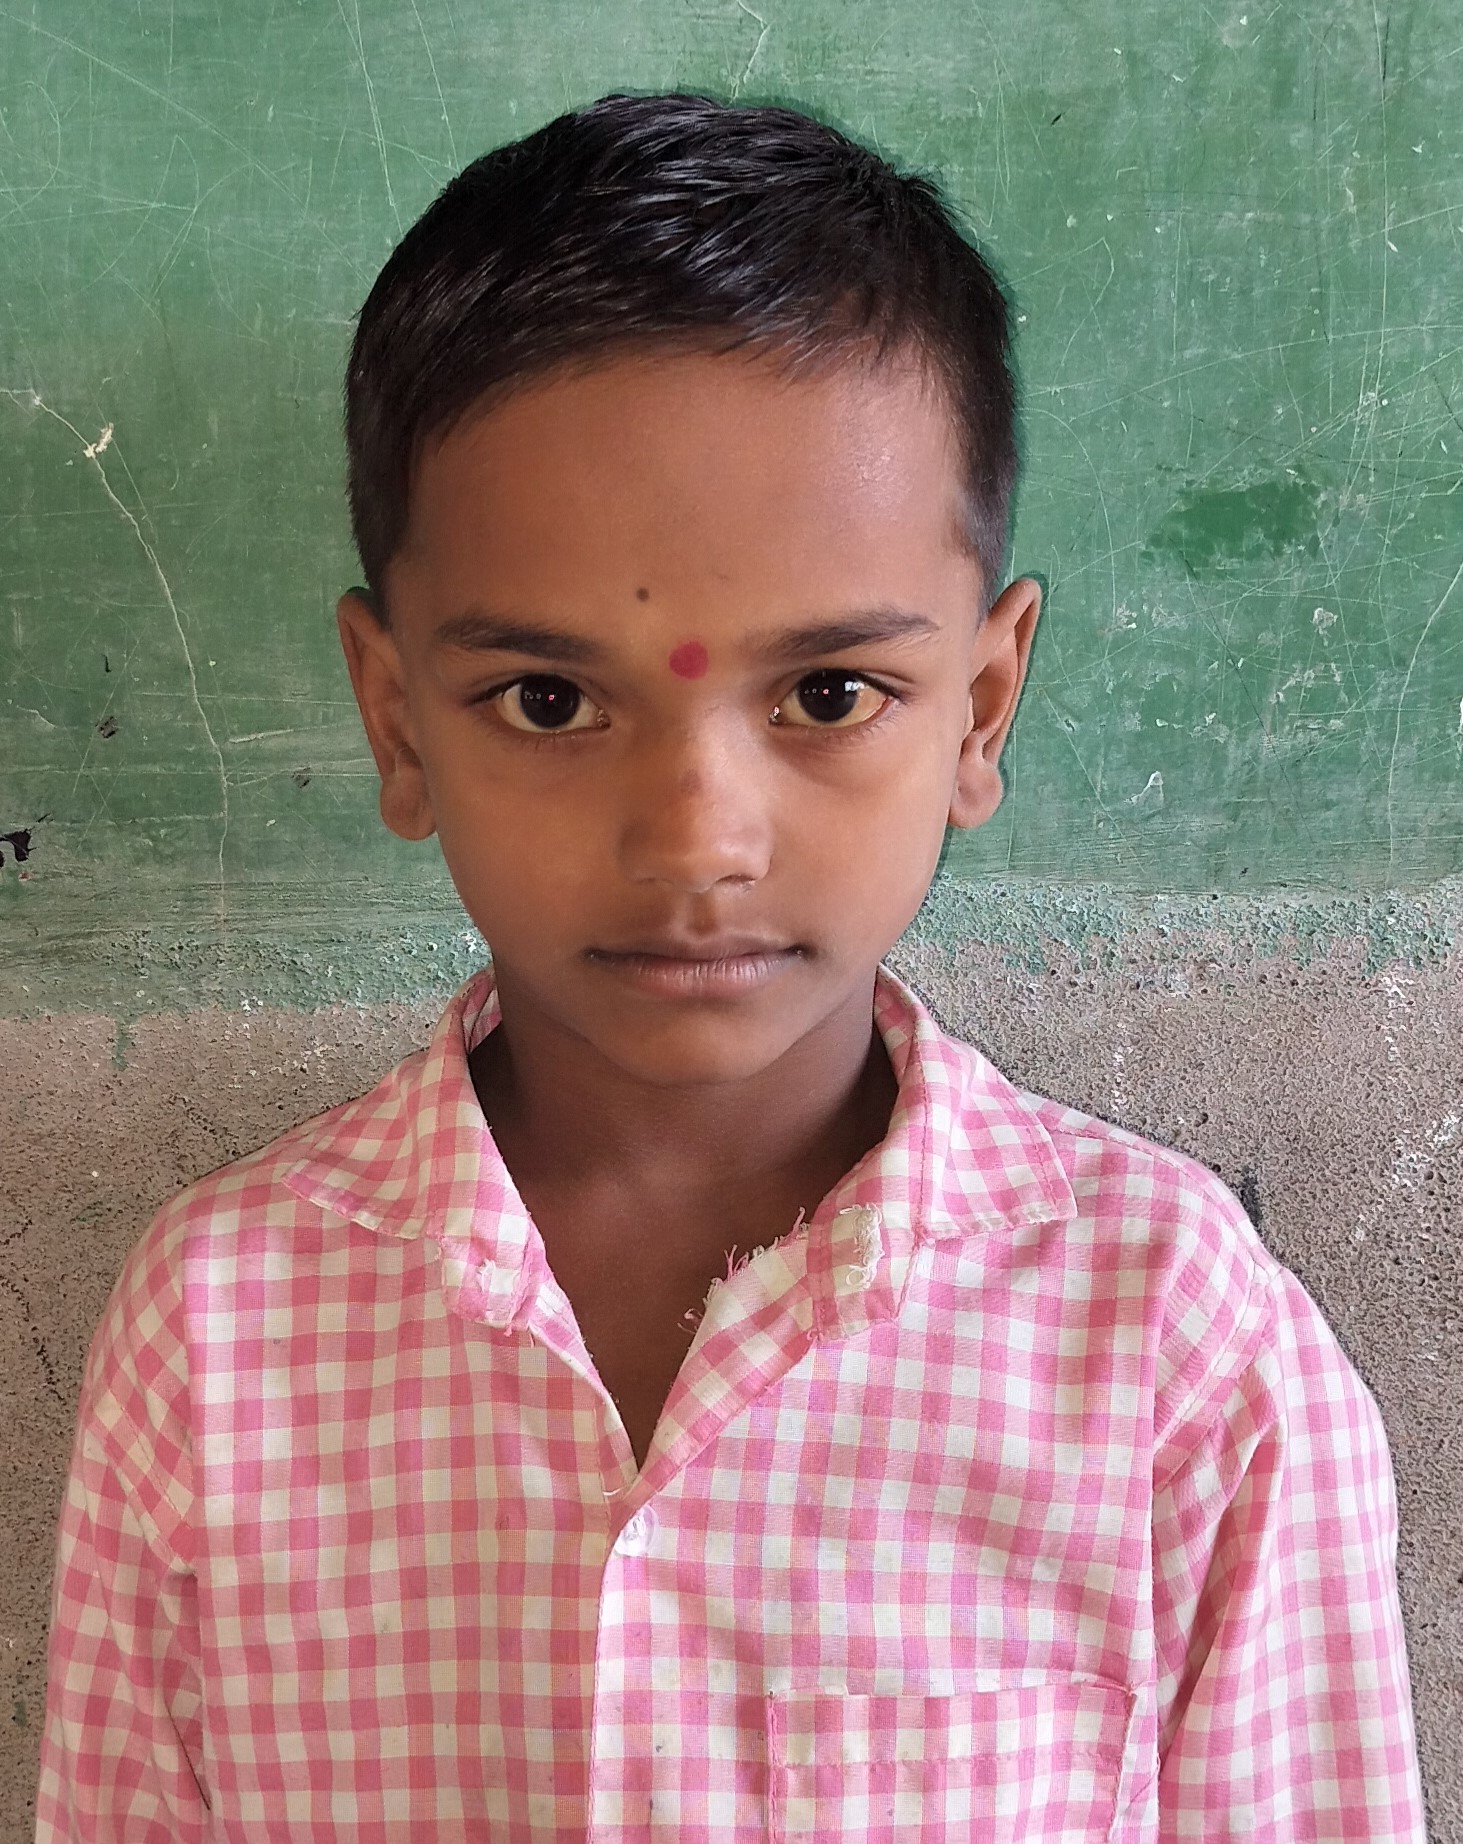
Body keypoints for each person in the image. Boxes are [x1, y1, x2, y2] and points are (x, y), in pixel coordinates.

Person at [36, 90, 1426, 1842]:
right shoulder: (221, 1335)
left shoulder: (1172, 1345)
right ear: (395, 721)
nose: (698, 840)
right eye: (550, 700)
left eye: (829, 694)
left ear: (981, 709)